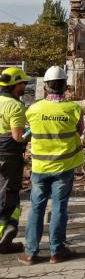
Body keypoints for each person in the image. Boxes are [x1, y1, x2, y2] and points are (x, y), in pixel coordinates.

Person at [19, 66, 84, 265]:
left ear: (46, 87)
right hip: (64, 168)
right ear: (65, 86)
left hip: (40, 168)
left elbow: (26, 134)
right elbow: (80, 132)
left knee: (36, 208)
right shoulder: (73, 109)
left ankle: (31, 252)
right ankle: (57, 251)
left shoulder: (33, 109)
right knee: (59, 208)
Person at [0, 67, 30, 254]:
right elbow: (18, 137)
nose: (25, 86)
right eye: (23, 83)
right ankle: (6, 236)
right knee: (9, 194)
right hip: (8, 156)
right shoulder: (15, 106)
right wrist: (32, 132)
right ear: (15, 85)